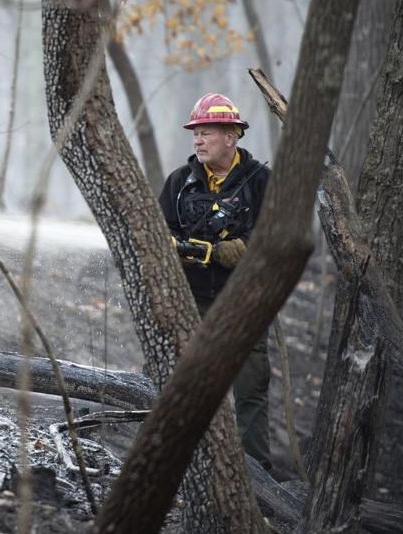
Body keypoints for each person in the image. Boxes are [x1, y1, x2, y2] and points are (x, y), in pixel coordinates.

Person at [158, 92, 272, 470]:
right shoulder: (179, 183)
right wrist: (176, 247)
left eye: (206, 132)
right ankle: (175, 464)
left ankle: (257, 479)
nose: (198, 141)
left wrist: (239, 250)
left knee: (251, 389)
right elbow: (160, 231)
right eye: (196, 134)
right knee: (182, 383)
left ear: (232, 136)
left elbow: (279, 237)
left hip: (244, 303)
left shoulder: (260, 182)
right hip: (192, 300)